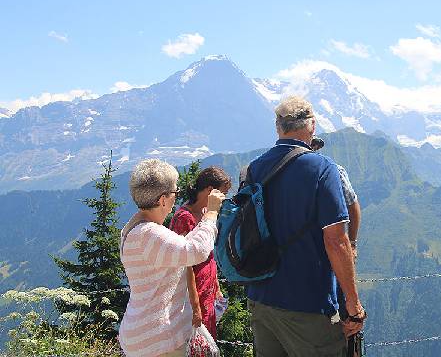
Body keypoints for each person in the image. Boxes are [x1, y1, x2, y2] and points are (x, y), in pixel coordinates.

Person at [245, 96, 366, 357]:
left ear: (279, 127)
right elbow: (336, 241)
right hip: (307, 304)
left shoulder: (254, 169)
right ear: (311, 125)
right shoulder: (323, 169)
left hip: (261, 298)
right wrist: (353, 304)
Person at [119, 159, 225, 357]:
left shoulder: (134, 228)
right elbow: (195, 251)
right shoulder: (148, 234)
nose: (176, 199)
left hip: (143, 334)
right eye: (175, 193)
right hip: (157, 340)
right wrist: (211, 214)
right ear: (163, 200)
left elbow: (181, 247)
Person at [169, 166, 232, 340]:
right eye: (222, 193)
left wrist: (216, 286)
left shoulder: (206, 213)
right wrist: (195, 305)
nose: (223, 198)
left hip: (207, 288)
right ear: (210, 190)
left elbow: (209, 252)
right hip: (193, 293)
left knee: (207, 339)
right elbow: (183, 264)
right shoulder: (184, 218)